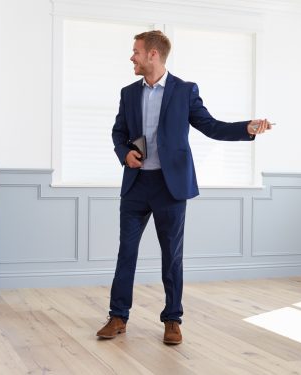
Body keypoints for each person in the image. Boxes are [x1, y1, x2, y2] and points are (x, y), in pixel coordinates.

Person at [96, 30, 272, 345]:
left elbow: (212, 126)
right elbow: (118, 132)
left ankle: (172, 320)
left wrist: (246, 128)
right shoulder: (128, 93)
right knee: (127, 252)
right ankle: (118, 316)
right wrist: (124, 153)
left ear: (153, 54)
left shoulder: (184, 91)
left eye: (136, 51)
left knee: (172, 256)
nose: (132, 57)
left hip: (170, 187)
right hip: (136, 186)